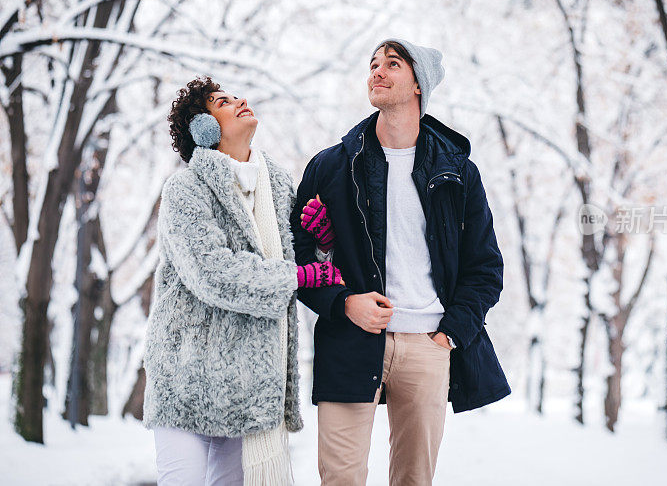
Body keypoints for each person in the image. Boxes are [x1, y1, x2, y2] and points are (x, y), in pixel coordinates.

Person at [290, 39, 511, 486]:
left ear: (418, 85)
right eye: (373, 64)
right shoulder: (332, 166)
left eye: (392, 64)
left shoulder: (458, 172)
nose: (378, 71)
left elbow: (485, 267)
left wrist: (451, 333)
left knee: (414, 480)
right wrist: (344, 302)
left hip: (427, 345)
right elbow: (297, 255)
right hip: (348, 339)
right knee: (340, 478)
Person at [143, 76, 344, 485]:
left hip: (247, 388)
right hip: (187, 380)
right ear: (204, 127)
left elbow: (302, 257)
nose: (241, 101)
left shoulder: (279, 185)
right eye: (223, 101)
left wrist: (322, 244)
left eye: (237, 96)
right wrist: (299, 274)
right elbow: (213, 273)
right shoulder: (185, 190)